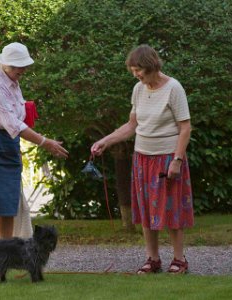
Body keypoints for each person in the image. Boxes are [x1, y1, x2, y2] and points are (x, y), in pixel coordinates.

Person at [0, 42, 69, 270]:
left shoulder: (13, 82)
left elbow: (17, 117)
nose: (22, 71)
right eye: (18, 67)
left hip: (8, 143)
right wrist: (44, 141)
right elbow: (12, 123)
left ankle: (5, 256)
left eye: (24, 66)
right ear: (5, 65)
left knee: (7, 203)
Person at [91, 44, 194, 274]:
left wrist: (177, 160)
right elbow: (132, 125)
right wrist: (105, 141)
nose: (136, 75)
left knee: (172, 208)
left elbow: (185, 127)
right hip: (142, 158)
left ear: (151, 66)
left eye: (139, 70)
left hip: (168, 157)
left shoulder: (173, 88)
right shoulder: (138, 89)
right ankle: (153, 259)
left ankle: (179, 260)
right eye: (133, 71)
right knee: (147, 209)